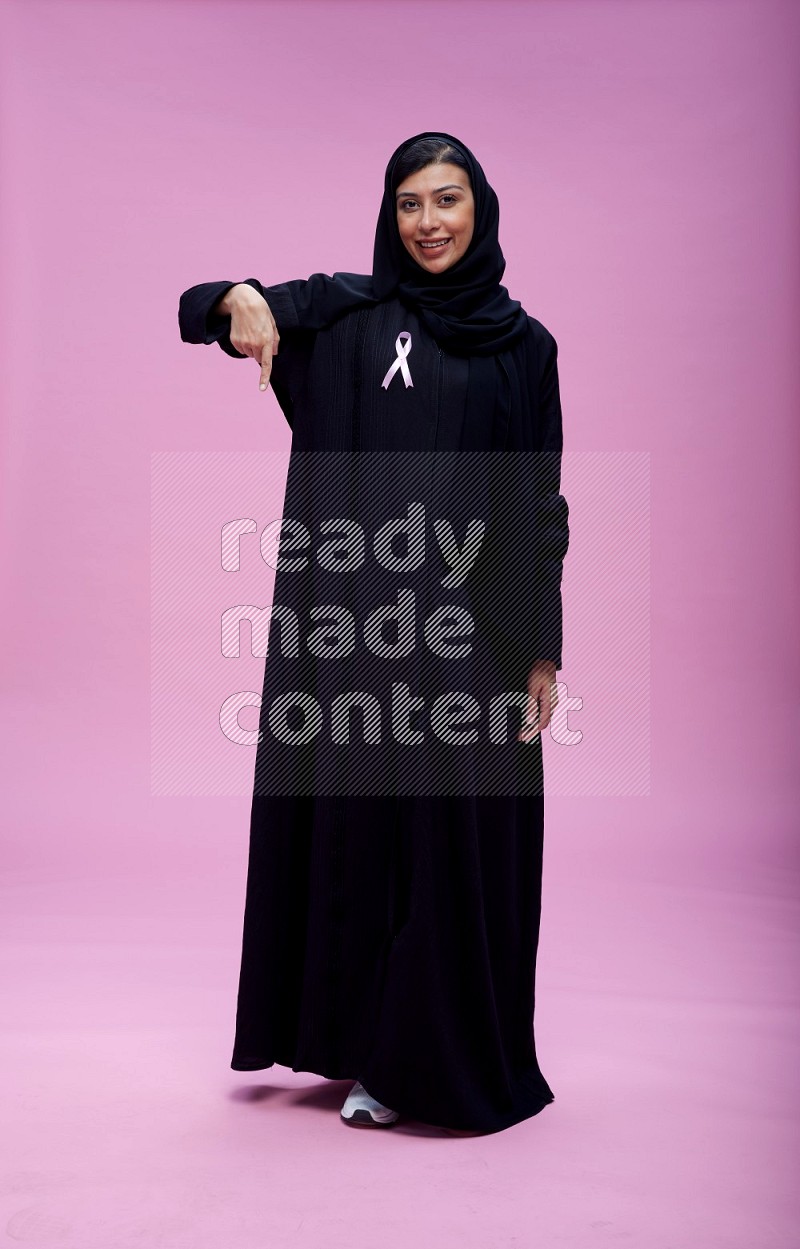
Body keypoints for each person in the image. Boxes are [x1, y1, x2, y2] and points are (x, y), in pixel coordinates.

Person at [178, 131, 569, 1135]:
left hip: (471, 637)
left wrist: (540, 646)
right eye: (408, 204)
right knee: (362, 839)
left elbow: (535, 502)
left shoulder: (524, 348)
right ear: (389, 216)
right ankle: (365, 1045)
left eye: (446, 201)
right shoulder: (353, 314)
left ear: (478, 209)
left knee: (451, 848)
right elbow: (205, 311)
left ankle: (425, 1058)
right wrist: (243, 297)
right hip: (355, 632)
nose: (428, 222)